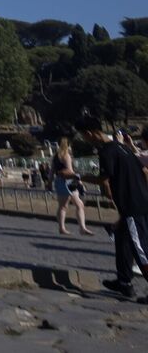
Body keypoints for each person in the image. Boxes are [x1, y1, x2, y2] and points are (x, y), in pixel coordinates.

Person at [76, 118, 148, 302]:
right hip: (139, 201)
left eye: (84, 136)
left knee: (140, 249)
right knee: (122, 239)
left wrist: (79, 176)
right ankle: (124, 282)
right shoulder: (122, 147)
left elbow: (103, 179)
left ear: (90, 133)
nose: (85, 140)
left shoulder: (107, 151)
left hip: (133, 206)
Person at [52, 137, 94, 235]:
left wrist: (49, 182)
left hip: (59, 181)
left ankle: (62, 227)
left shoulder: (55, 156)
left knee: (63, 206)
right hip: (69, 181)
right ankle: (82, 228)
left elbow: (51, 171)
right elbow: (70, 171)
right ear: (68, 145)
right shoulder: (66, 156)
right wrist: (79, 181)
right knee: (79, 205)